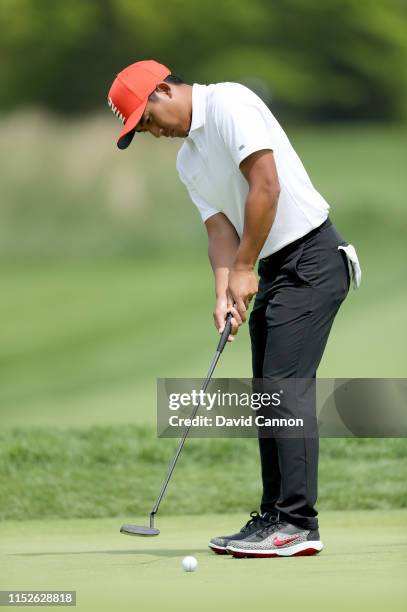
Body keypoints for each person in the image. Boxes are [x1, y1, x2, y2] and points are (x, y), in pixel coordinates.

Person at [107, 59, 361, 558]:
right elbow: (219, 231)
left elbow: (267, 187)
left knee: (285, 390)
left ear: (162, 90)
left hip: (311, 258)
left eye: (148, 120)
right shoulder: (188, 160)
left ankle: (297, 524)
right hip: (272, 265)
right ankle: (273, 516)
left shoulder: (230, 103)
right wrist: (224, 290)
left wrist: (246, 268)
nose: (152, 133)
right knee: (268, 393)